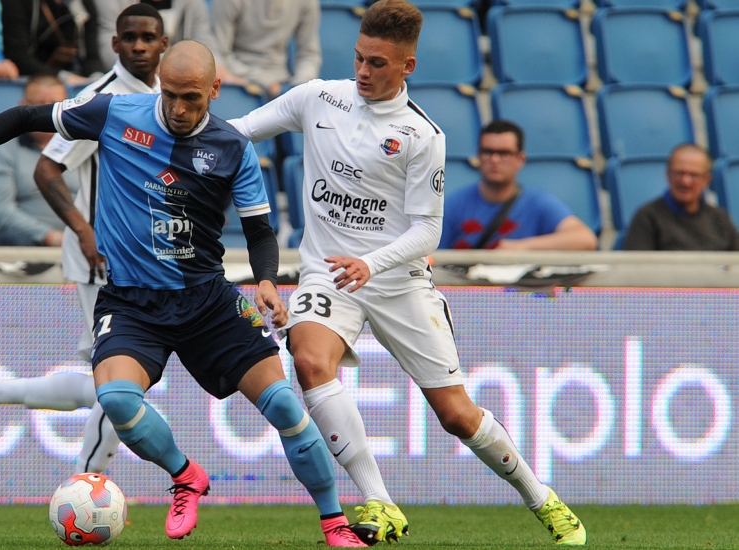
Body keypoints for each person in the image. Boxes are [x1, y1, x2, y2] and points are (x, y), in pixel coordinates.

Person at [0, 40, 366, 547]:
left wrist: (266, 279)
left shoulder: (233, 148)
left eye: (191, 98)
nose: (177, 109)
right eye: (170, 95)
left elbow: (260, 232)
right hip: (130, 301)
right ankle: (184, 475)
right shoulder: (114, 111)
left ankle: (335, 523)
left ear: (215, 89)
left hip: (208, 300)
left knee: (285, 405)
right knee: (116, 398)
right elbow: (25, 116)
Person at [229, 0, 586, 545]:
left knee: (457, 416)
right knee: (308, 360)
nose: (364, 72)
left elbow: (427, 232)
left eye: (377, 63)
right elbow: (237, 132)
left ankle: (543, 498)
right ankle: (379, 499)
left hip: (396, 282)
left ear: (407, 67)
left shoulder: (423, 136)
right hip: (328, 274)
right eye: (359, 59)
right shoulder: (317, 98)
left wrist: (370, 262)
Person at [0, 4, 170, 477]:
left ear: (164, 43)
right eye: (130, 38)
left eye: (149, 37)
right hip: (101, 258)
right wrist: (84, 232)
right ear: (114, 44)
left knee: (112, 385)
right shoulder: (100, 99)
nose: (140, 46)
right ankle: (88, 487)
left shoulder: (171, 95)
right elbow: (48, 169)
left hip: (148, 261)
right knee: (119, 386)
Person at [439, 120, 598, 251]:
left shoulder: (537, 203)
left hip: (520, 289)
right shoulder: (455, 205)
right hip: (467, 288)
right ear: (478, 156)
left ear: (521, 159)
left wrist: (521, 247)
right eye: (488, 152)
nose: (495, 160)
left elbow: (585, 239)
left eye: (504, 153)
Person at [0, 75, 78, 247]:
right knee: (17, 240)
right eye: (39, 104)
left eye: (55, 105)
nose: (46, 111)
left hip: (74, 240)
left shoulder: (82, 146)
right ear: (23, 106)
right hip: (11, 238)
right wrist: (51, 237)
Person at [623, 143, 739, 251]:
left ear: (706, 180)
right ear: (667, 174)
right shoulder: (647, 217)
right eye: (679, 173)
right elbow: (637, 269)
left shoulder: (720, 219)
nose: (685, 182)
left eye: (694, 175)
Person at [211, 0, 321, 99]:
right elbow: (219, 54)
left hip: (282, 85)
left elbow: (309, 54)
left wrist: (300, 89)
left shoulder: (307, 2)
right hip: (237, 84)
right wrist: (266, 82)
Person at [0, 0, 104, 87]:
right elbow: (17, 55)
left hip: (72, 78)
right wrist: (63, 77)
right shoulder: (16, 3)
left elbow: (91, 55)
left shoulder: (83, 3)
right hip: (29, 80)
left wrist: (98, 80)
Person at [94, 0, 214, 71]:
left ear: (164, 43)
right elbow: (107, 45)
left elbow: (204, 39)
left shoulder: (193, 3)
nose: (139, 47)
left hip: (181, 73)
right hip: (125, 74)